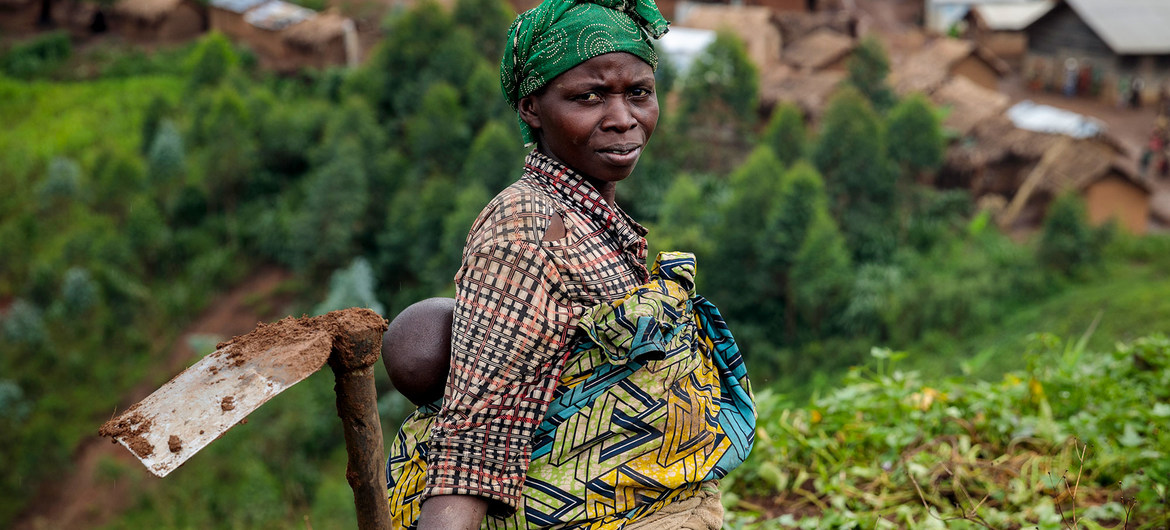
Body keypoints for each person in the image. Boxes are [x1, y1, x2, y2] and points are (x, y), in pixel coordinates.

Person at [383, 0, 755, 528]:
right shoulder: (526, 230)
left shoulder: (584, 213)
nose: (624, 119)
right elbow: (479, 435)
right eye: (588, 97)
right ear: (533, 108)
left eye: (639, 93)